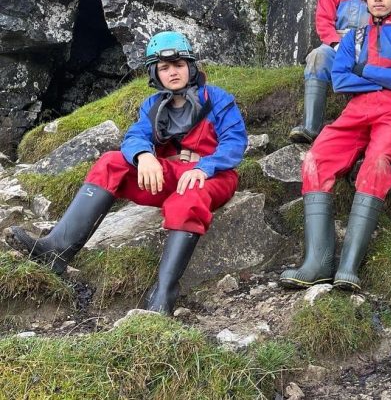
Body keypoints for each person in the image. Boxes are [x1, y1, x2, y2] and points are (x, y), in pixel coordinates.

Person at [10, 31, 247, 313]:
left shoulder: (218, 99)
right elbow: (135, 136)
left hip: (213, 177)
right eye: (164, 68)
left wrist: (205, 167)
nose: (173, 72)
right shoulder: (152, 106)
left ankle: (163, 294)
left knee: (187, 197)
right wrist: (144, 155)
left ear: (190, 66)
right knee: (111, 162)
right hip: (170, 174)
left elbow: (235, 143)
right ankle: (57, 250)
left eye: (179, 65)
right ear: (155, 74)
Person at [280, 0, 391, 291]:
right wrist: (384, 77)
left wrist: (366, 70)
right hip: (356, 109)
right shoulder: (353, 38)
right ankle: (318, 262)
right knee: (316, 159)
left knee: (376, 164)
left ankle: (349, 266)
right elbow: (341, 80)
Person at [290, 0, 391, 144]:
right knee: (317, 57)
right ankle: (310, 127)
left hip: (371, 45)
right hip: (338, 45)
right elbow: (323, 20)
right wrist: (337, 45)